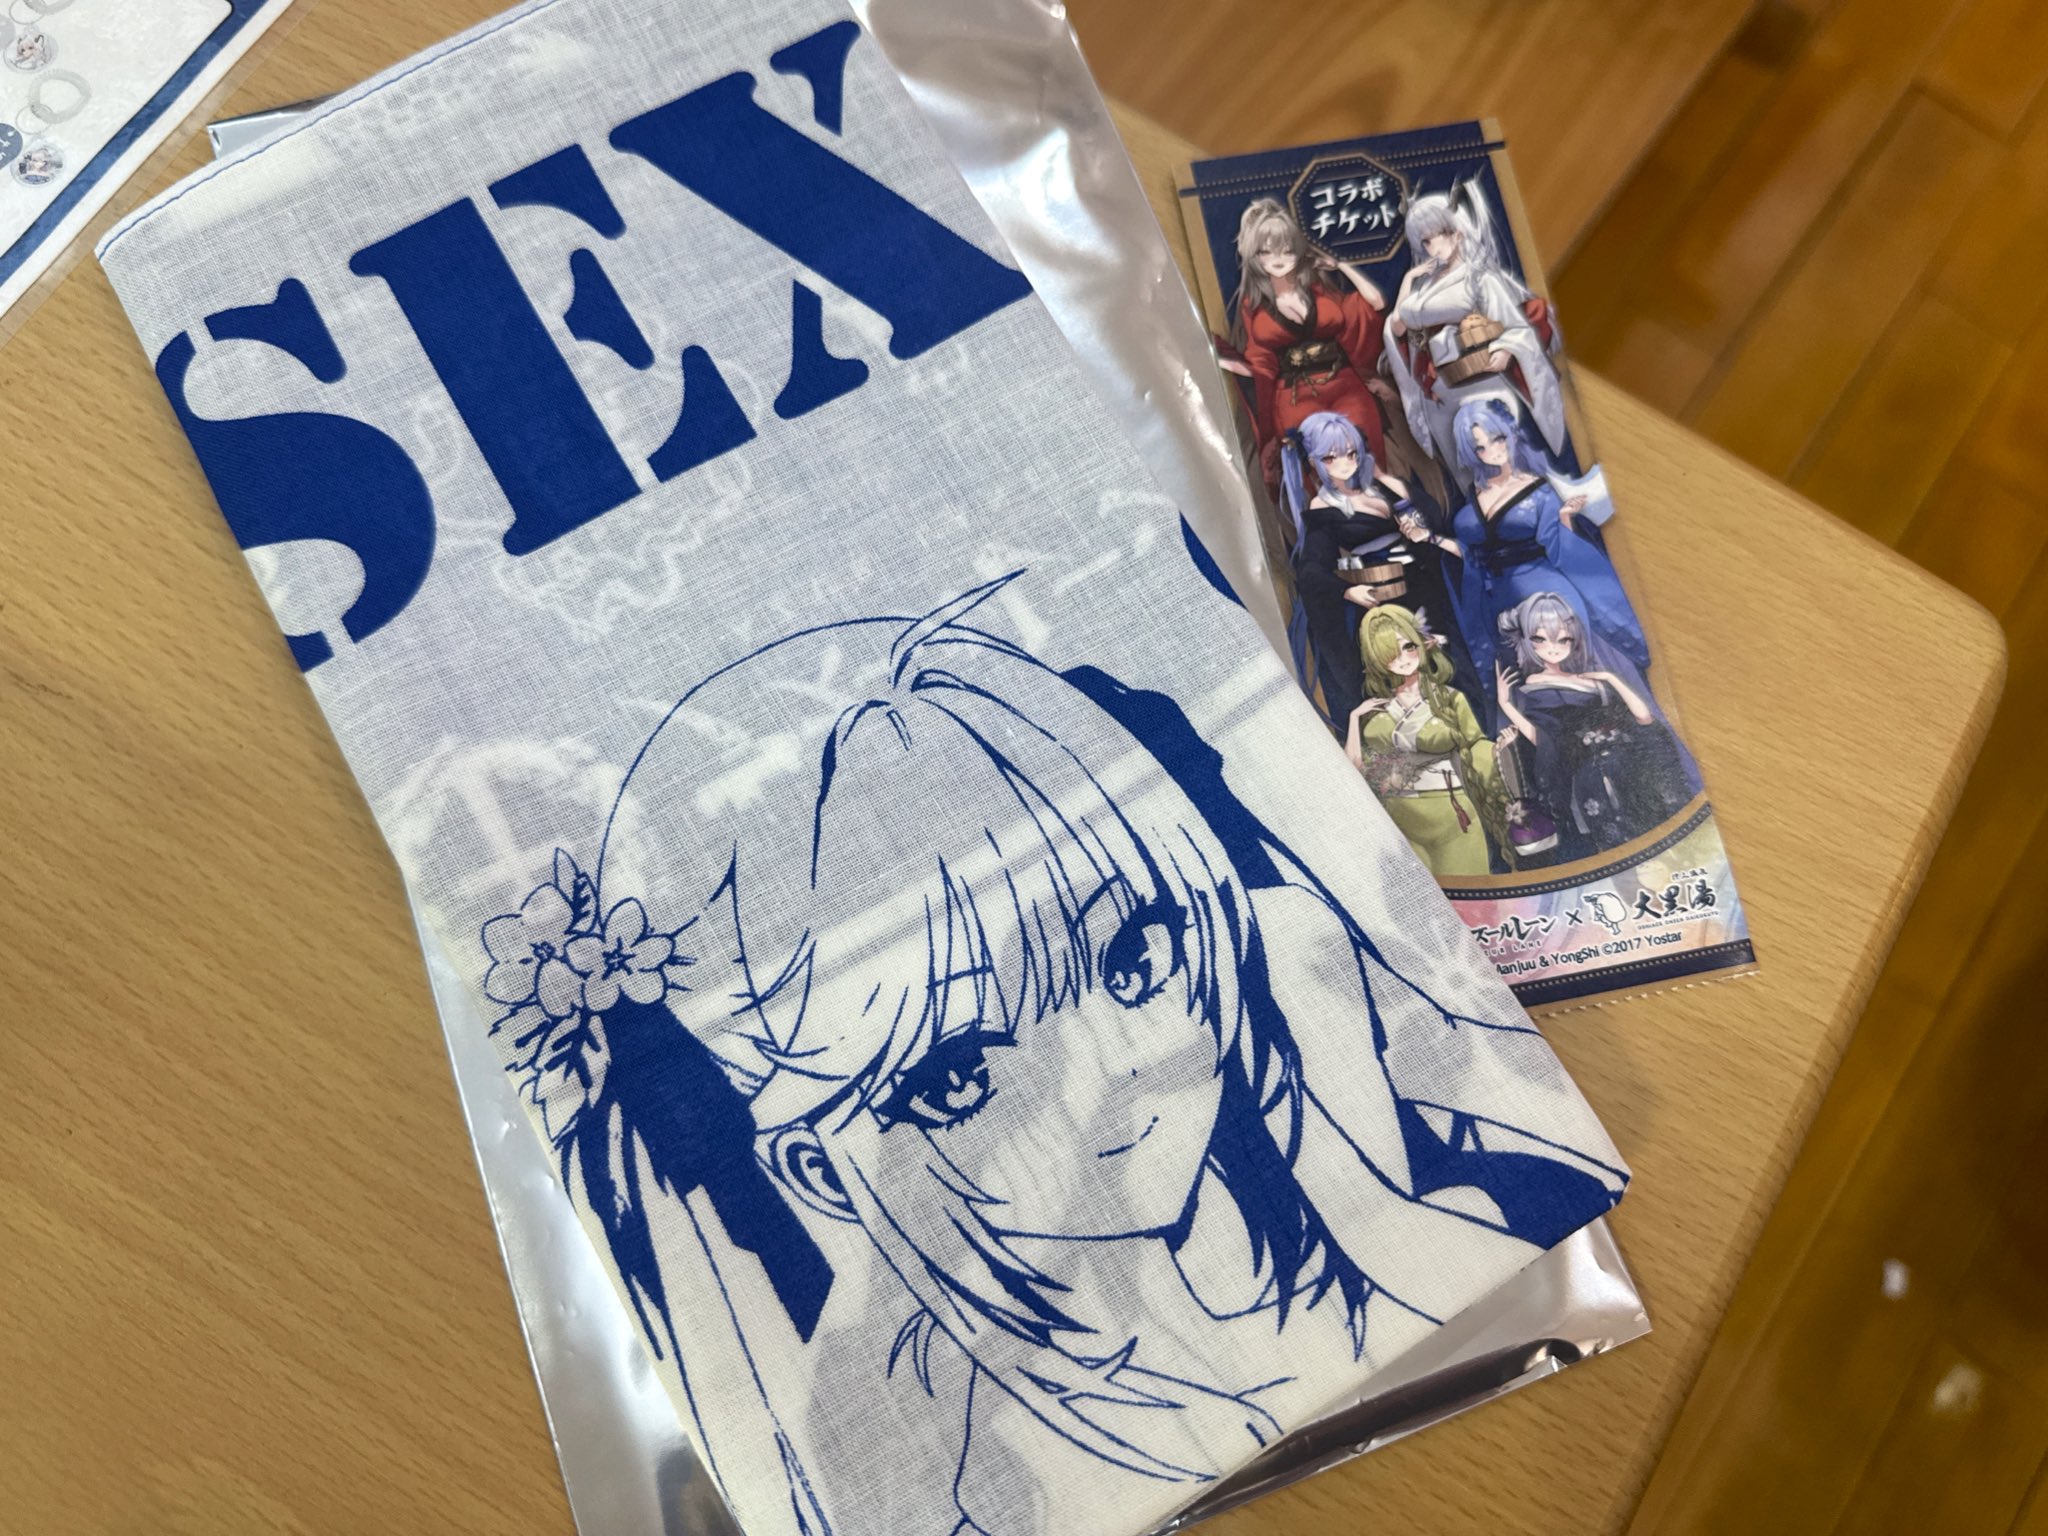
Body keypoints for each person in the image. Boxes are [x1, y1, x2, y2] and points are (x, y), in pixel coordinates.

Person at [477, 578, 1625, 1536]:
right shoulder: (936, 1472)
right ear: (820, 1170)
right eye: (956, 1075)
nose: (1108, 1060)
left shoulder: (1419, 1176)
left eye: (1129, 955)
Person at [1399, 398, 1655, 722]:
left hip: (1548, 595)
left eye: (1497, 439)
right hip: (1500, 602)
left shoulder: (1539, 490)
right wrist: (1429, 538)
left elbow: (1559, 547)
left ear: (1510, 435)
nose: (1492, 451)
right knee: (1523, 688)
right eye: (1480, 447)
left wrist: (1564, 518)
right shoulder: (1475, 496)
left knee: (1573, 674)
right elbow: (1472, 555)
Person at [1386, 184, 1569, 488]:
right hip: (1442, 388)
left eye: (1437, 235)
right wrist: (1409, 277)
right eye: (1425, 240)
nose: (1432, 246)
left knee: (1504, 456)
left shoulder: (1478, 277)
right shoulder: (1423, 286)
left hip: (1483, 377)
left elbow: (1515, 325)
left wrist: (1507, 349)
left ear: (1456, 233)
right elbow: (1397, 326)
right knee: (1467, 469)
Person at [1495, 591, 1695, 860]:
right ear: (1527, 642)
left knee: (1658, 831)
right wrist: (1506, 705)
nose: (1553, 647)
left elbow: (1644, 718)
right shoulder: (1535, 686)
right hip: (1590, 776)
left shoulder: (1593, 678)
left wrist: (1612, 680)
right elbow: (1545, 740)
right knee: (1619, 847)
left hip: (1628, 765)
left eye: (1564, 639)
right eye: (1540, 639)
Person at [1345, 605, 1511, 877]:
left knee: (1469, 889)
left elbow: (1474, 746)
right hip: (1399, 820)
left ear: (1423, 644)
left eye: (1408, 647)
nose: (1402, 659)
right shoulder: (1376, 709)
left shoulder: (1450, 698)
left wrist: (1498, 751)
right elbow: (1355, 767)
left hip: (1450, 810)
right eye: (1390, 653)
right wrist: (1354, 719)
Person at [1230, 197, 1395, 467]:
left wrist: (1340, 266)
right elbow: (1260, 361)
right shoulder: (1253, 305)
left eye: (1287, 251)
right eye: (1267, 252)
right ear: (1254, 256)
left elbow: (1375, 302)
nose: (1278, 260)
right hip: (1295, 397)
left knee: (1366, 458)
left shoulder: (1319, 290)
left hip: (1345, 386)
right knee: (1318, 468)